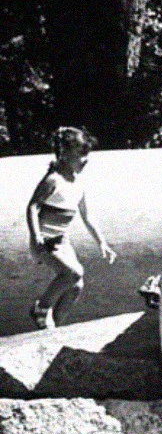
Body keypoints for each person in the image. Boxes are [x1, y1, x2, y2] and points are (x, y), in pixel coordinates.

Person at [26, 126, 116, 329]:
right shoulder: (53, 180)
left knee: (76, 285)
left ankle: (53, 329)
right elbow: (32, 207)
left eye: (87, 155)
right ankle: (41, 307)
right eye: (81, 155)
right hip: (46, 240)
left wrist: (102, 242)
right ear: (65, 155)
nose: (85, 160)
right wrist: (36, 235)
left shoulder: (78, 183)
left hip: (62, 240)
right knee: (73, 273)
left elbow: (87, 215)